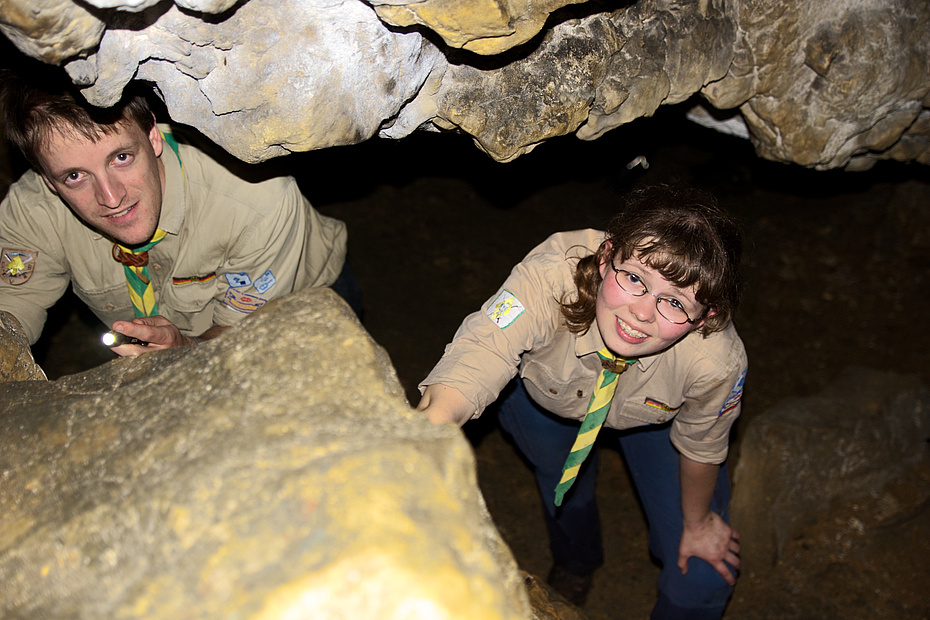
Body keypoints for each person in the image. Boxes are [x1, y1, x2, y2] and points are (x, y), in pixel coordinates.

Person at [417, 185, 747, 618]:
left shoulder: (715, 361)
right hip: (545, 403)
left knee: (702, 576)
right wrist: (419, 442)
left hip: (656, 425)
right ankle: (576, 559)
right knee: (562, 484)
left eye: (673, 303)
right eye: (634, 279)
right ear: (607, 256)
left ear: (705, 318)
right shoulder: (552, 275)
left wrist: (698, 523)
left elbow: (702, 445)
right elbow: (485, 349)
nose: (642, 313)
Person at [0, 67, 359, 359]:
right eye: (75, 176)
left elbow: (242, 337)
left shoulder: (255, 197)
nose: (111, 197)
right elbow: (12, 307)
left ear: (153, 136)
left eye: (121, 158)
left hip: (297, 302)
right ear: (47, 180)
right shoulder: (31, 212)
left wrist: (186, 351)